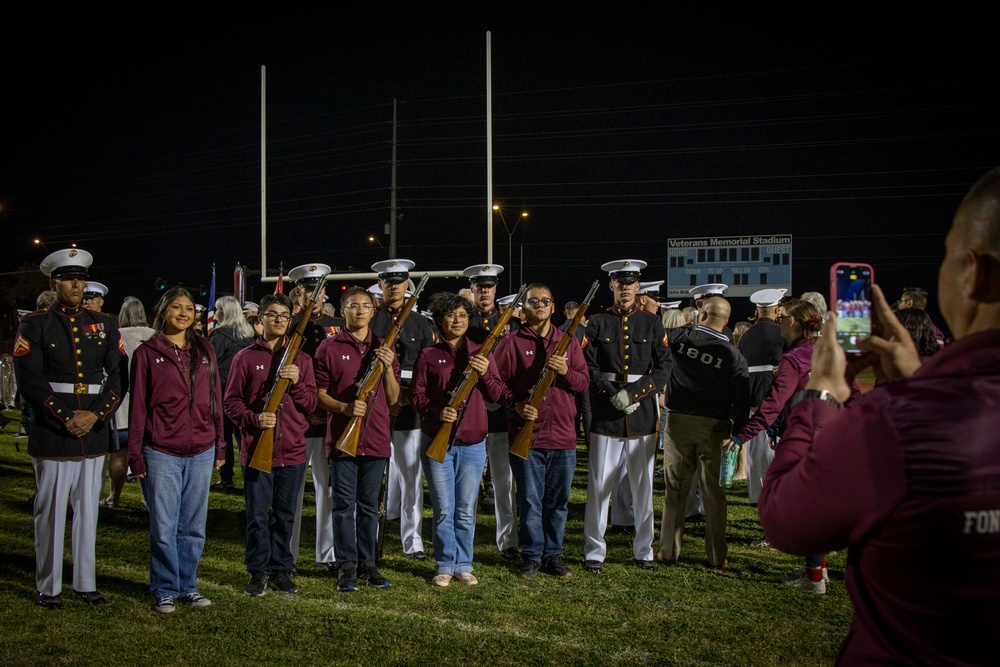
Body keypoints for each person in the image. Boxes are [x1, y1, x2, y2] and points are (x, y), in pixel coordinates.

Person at [759, 167, 1000, 664]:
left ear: (974, 272)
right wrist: (916, 383)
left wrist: (820, 395)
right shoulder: (920, 408)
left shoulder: (902, 423)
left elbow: (787, 519)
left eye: (951, 252)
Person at [13, 249, 125, 609]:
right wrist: (66, 417)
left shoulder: (105, 323)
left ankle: (85, 582)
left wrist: (95, 416)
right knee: (50, 510)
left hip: (92, 430)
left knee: (88, 509)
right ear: (54, 282)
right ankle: (49, 585)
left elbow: (119, 376)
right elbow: (30, 379)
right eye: (68, 278)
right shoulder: (35, 323)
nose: (77, 284)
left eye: (80, 278)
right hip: (54, 431)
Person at [726, 298, 859, 592]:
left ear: (795, 322)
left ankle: (814, 578)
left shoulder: (793, 359)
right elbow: (855, 394)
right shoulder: (832, 353)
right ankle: (818, 571)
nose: (779, 322)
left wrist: (741, 436)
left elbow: (772, 405)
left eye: (783, 317)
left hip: (805, 440)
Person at [128, 286, 224, 614]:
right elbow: (138, 407)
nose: (184, 313)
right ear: (163, 311)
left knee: (194, 525)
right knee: (164, 524)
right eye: (176, 308)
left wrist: (220, 443)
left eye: (189, 308)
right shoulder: (146, 353)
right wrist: (135, 453)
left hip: (201, 448)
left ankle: (188, 586)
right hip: (161, 450)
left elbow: (216, 399)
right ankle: (165, 587)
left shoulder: (205, 348)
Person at [224, 293, 317, 596]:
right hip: (257, 451)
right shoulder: (244, 357)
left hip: (292, 452)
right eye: (272, 314)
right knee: (257, 515)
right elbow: (231, 403)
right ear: (260, 319)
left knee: (286, 514)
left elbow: (312, 405)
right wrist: (254, 419)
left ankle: (282, 568)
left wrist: (298, 383)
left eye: (284, 316)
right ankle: (257, 569)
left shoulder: (302, 359)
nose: (279, 320)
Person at [493, 284, 589, 579]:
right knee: (530, 501)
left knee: (558, 503)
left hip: (562, 435)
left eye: (545, 301)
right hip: (527, 435)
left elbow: (583, 382)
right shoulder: (510, 342)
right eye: (533, 301)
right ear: (523, 307)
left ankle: (554, 555)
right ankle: (532, 555)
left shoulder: (568, 342)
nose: (540, 306)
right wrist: (517, 405)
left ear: (553, 306)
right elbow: (495, 384)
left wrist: (565, 372)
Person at [410, 292, 504, 586]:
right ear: (439, 321)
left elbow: (497, 394)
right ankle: (444, 563)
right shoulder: (428, 355)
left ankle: (464, 563)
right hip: (437, 439)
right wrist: (438, 413)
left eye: (463, 315)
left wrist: (486, 373)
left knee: (465, 509)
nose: (458, 320)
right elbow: (416, 397)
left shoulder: (481, 352)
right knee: (444, 508)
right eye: (452, 316)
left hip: (473, 442)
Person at [583, 259, 670, 572]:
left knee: (643, 487)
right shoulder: (596, 322)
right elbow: (588, 365)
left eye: (630, 283)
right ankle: (595, 550)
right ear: (612, 286)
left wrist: (633, 395)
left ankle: (644, 550)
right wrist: (610, 393)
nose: (625, 288)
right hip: (606, 414)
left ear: (638, 286)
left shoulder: (651, 323)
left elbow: (663, 367)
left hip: (641, 414)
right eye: (620, 283)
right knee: (599, 486)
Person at [314, 286, 399, 592]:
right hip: (342, 439)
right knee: (342, 506)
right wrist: (344, 408)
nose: (360, 311)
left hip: (375, 439)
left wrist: (388, 367)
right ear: (343, 311)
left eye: (366, 306)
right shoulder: (328, 348)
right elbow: (319, 395)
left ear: (373, 311)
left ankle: (369, 565)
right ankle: (346, 566)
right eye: (354, 306)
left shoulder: (384, 347)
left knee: (368, 506)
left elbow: (393, 397)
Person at [658, 296, 750, 568]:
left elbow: (664, 336)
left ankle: (669, 550)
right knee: (714, 493)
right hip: (715, 426)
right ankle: (717, 555)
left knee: (675, 489)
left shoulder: (681, 339)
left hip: (678, 422)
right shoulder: (734, 355)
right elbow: (741, 400)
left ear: (703, 313)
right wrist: (739, 434)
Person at [370, 259, 435, 561]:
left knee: (411, 475)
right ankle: (369, 534)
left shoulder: (420, 323)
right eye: (388, 281)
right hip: (375, 404)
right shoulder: (370, 318)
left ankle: (413, 541)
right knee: (372, 475)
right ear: (380, 284)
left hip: (409, 407)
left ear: (407, 284)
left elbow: (425, 368)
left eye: (400, 281)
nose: (394, 287)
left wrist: (408, 398)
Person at [463, 264, 521, 561]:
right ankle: (464, 541)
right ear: (471, 288)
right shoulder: (461, 319)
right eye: (478, 286)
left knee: (502, 480)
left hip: (500, 410)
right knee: (467, 483)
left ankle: (507, 539)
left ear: (496, 289)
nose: (484, 291)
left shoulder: (511, 320)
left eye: (489, 286)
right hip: (469, 407)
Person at [286, 263, 341, 571]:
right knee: (291, 492)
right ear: (300, 292)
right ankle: (287, 555)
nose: (314, 294)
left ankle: (328, 553)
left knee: (328, 489)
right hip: (296, 418)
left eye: (319, 289)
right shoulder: (289, 322)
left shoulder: (337, 323)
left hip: (328, 417)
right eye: (309, 289)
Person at [736, 288, 789, 504]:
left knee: (753, 446)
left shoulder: (747, 334)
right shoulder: (781, 332)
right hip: (770, 389)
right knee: (770, 443)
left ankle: (755, 494)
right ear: (776, 310)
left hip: (749, 390)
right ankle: (771, 490)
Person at [103, 296, 155, 509]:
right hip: (149, 408)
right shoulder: (155, 337)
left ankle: (114, 498)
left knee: (118, 454)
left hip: (121, 407)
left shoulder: (115, 336)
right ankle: (148, 498)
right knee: (147, 455)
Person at [210, 295, 256, 491]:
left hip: (223, 390)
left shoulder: (218, 336)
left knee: (224, 435)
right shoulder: (249, 335)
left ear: (224, 312)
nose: (216, 313)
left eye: (218, 309)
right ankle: (251, 477)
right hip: (245, 390)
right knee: (244, 436)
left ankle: (227, 478)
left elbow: (210, 366)